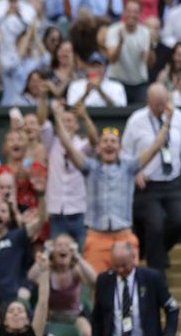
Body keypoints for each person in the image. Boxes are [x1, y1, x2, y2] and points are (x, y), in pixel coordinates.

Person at [52, 101, 171, 273]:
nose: (109, 144)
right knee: (97, 289)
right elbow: (68, 146)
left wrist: (167, 121)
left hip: (123, 236)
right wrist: (56, 116)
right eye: (105, 141)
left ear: (120, 148)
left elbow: (154, 148)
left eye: (113, 141)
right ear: (99, 148)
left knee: (129, 290)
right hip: (96, 238)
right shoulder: (90, 168)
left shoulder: (129, 168)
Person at [122, 83, 181, 275]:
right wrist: (136, 171)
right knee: (155, 226)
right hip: (148, 184)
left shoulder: (178, 117)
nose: (161, 108)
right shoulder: (136, 120)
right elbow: (125, 152)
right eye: (157, 104)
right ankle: (158, 273)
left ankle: (157, 253)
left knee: (178, 221)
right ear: (148, 102)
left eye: (164, 104)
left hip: (173, 180)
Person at [91, 242, 179, 336]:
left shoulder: (152, 278)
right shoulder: (104, 280)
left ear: (133, 258)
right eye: (116, 266)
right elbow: (97, 317)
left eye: (124, 265)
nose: (121, 270)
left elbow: (172, 308)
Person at [37, 96, 98, 250]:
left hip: (79, 210)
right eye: (63, 120)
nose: (65, 123)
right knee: (56, 255)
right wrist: (46, 100)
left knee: (83, 254)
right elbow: (42, 122)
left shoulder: (82, 145)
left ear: (77, 125)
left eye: (69, 120)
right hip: (57, 212)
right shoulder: (52, 143)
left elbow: (94, 141)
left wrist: (85, 117)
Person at [28, 234, 96, 336]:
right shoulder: (47, 269)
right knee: (37, 333)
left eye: (67, 245)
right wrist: (46, 252)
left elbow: (94, 279)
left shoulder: (75, 270)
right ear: (53, 250)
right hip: (50, 316)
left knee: (87, 334)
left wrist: (78, 256)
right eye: (59, 245)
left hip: (73, 316)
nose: (63, 248)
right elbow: (31, 276)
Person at [106, 0, 152, 104]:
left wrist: (151, 48)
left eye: (135, 12)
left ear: (140, 14)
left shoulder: (145, 32)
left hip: (139, 82)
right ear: (123, 12)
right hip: (117, 81)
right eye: (128, 11)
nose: (131, 14)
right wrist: (120, 43)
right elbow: (111, 59)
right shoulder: (113, 30)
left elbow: (147, 62)